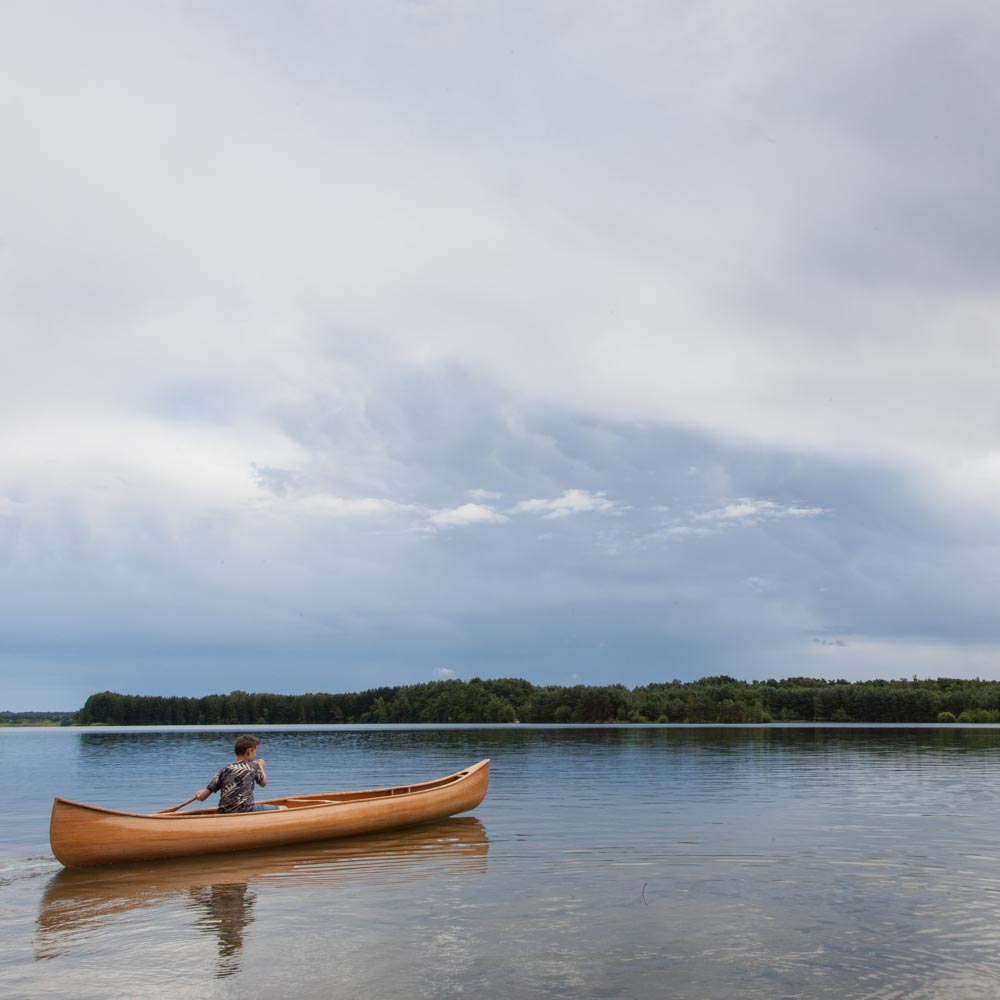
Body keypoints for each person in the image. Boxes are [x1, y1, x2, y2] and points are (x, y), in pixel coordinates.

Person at [195, 735, 279, 813]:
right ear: (249, 752)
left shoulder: (224, 770)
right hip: (246, 810)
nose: (255, 755)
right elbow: (263, 783)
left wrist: (199, 794)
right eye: (255, 752)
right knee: (283, 808)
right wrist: (261, 766)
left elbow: (202, 797)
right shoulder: (253, 766)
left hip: (224, 812)